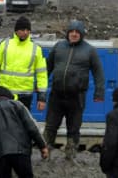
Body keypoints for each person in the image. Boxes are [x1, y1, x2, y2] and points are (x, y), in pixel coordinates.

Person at [44, 19, 105, 159]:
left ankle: (70, 157)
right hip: (56, 96)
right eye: (71, 31)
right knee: (50, 127)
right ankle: (45, 153)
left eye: (77, 32)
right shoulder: (58, 46)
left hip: (77, 97)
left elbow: (98, 72)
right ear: (67, 33)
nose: (74, 34)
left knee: (73, 129)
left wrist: (99, 92)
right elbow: (47, 67)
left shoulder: (90, 50)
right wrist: (40, 87)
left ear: (82, 34)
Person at [0, 86, 49, 178]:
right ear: (9, 97)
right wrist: (42, 146)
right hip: (20, 152)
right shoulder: (17, 105)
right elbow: (32, 127)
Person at [0, 16, 47, 110]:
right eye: (22, 29)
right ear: (16, 30)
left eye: (27, 30)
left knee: (21, 124)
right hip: (4, 94)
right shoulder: (5, 44)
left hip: (24, 97)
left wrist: (42, 98)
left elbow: (42, 75)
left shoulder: (36, 49)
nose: (25, 32)